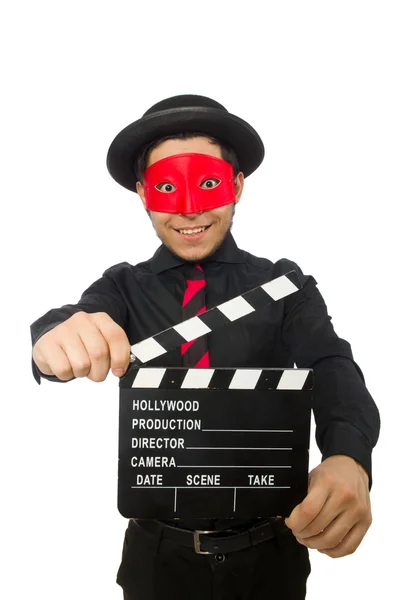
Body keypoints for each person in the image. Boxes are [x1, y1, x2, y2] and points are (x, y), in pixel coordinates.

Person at [30, 94, 380, 600]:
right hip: (156, 559)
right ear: (144, 194)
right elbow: (75, 318)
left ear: (236, 186)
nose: (190, 210)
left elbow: (331, 364)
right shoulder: (124, 287)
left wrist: (350, 455)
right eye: (169, 188)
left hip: (272, 554)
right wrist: (52, 338)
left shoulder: (285, 285)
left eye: (209, 184)